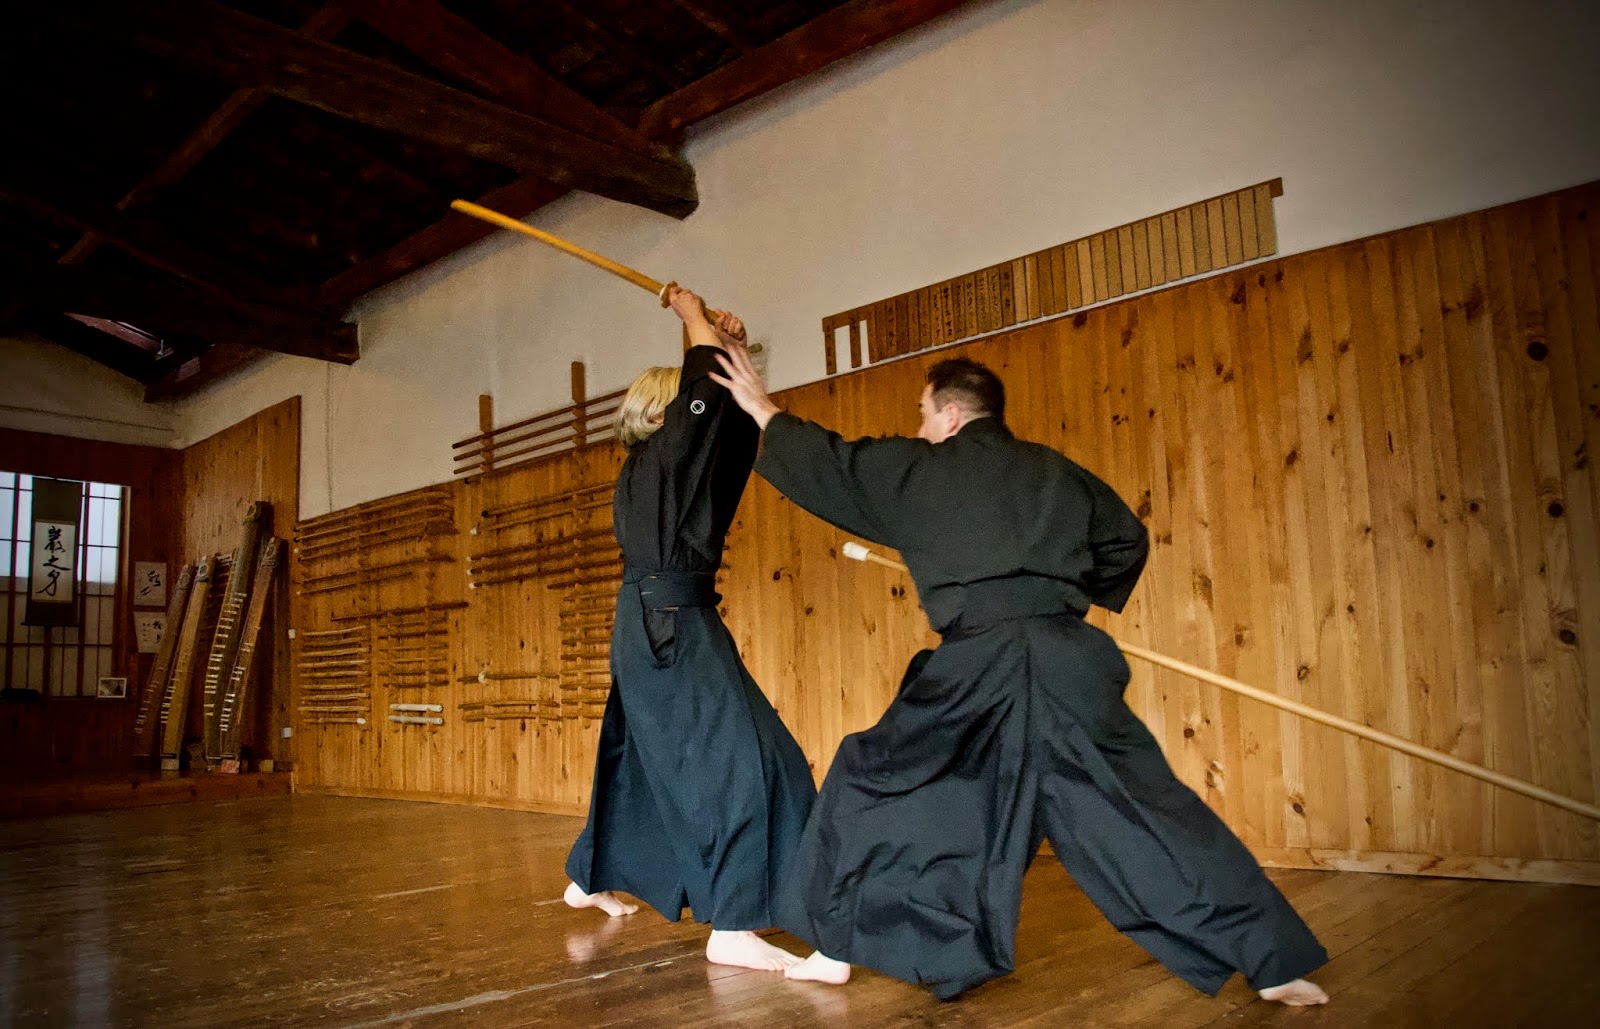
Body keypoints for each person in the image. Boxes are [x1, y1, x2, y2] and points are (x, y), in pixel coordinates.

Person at [708, 348, 1330, 1004]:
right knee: (1146, 807)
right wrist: (1052, 590)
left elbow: (828, 462)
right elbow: (1125, 541)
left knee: (869, 776)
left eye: (923, 414)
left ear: (949, 415)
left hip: (976, 664)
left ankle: (834, 948)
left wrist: (760, 406)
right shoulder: (1057, 473)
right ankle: (1274, 960)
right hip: (1068, 656)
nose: (919, 427)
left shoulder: (922, 467)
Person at [563, 288, 817, 973]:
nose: (694, 416)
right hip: (667, 625)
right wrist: (694, 319)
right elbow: (700, 406)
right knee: (750, 765)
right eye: (682, 405)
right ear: (659, 413)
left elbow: (731, 424)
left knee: (646, 761)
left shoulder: (672, 473)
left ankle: (588, 874)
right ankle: (732, 925)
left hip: (663, 623)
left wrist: (734, 345)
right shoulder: (659, 465)